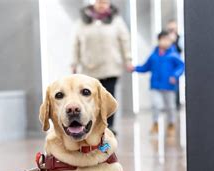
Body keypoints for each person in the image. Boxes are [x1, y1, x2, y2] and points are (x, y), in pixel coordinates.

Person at [71, 0, 131, 133]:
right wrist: (74, 63)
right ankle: (92, 125)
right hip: (89, 68)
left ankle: (109, 127)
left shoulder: (116, 20)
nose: (102, 5)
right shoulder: (82, 21)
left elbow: (125, 40)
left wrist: (128, 59)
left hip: (110, 67)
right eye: (99, 2)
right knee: (90, 98)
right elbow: (75, 43)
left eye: (105, 2)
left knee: (108, 98)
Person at [127, 31, 184, 136]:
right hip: (155, 85)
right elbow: (146, 67)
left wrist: (175, 75)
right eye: (164, 39)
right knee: (156, 105)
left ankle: (171, 124)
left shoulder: (173, 55)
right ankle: (155, 123)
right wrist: (134, 68)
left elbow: (181, 66)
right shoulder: (153, 56)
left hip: (169, 86)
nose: (166, 42)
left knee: (170, 106)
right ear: (159, 40)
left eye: (168, 40)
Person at [166, 19, 183, 109]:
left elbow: (180, 50)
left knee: (176, 83)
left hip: (176, 65)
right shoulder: (166, 37)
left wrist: (174, 41)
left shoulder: (179, 38)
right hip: (167, 64)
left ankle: (176, 103)